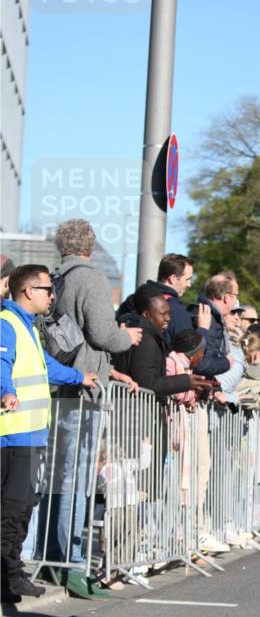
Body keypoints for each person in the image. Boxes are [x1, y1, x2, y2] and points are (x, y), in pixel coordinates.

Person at [1, 264, 98, 602]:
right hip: (14, 435)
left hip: (27, 436)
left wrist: (79, 377)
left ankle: (10, 574)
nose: (52, 296)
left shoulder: (26, 326)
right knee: (13, 511)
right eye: (47, 289)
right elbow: (1, 362)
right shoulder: (7, 324)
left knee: (21, 508)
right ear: (28, 291)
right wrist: (5, 390)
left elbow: (45, 365)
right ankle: (9, 578)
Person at [48, 219, 141, 568]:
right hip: (84, 387)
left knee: (58, 474)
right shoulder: (91, 278)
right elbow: (103, 334)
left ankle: (52, 553)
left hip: (60, 383)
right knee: (78, 474)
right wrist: (127, 338)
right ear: (89, 245)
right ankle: (70, 559)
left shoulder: (56, 279)